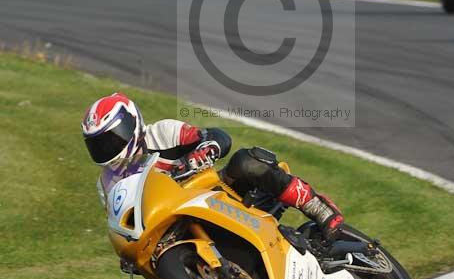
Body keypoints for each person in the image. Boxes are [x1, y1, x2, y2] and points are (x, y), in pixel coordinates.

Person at [82, 92, 344, 241]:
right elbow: (120, 225)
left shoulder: (161, 133)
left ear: (133, 123)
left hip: (216, 195)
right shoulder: (108, 183)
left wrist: (204, 152)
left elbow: (215, 136)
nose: (108, 148)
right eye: (99, 144)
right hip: (177, 231)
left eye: (113, 138)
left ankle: (319, 208)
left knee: (246, 162)